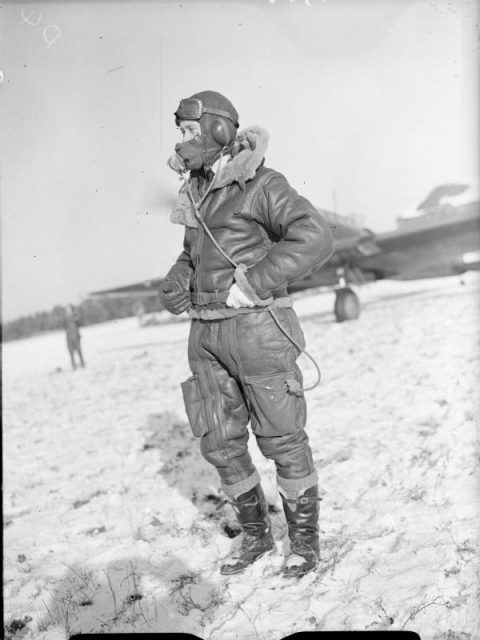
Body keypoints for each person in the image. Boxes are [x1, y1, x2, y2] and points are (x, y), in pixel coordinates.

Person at [158, 90, 334, 578]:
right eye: (181, 134)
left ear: (218, 131)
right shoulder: (195, 191)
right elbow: (194, 255)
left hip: (258, 331)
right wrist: (177, 279)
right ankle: (255, 537)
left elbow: (314, 235)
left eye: (191, 132)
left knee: (282, 438)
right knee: (220, 443)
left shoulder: (261, 184)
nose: (184, 141)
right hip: (207, 336)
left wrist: (254, 282)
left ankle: (303, 545)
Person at [64, 304, 85, 370]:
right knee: (71, 353)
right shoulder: (65, 318)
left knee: (79, 351)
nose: (68, 311)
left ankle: (82, 363)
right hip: (69, 338)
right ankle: (74, 366)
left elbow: (80, 323)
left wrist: (75, 317)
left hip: (76, 336)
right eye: (67, 309)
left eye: (69, 309)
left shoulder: (75, 317)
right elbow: (64, 326)